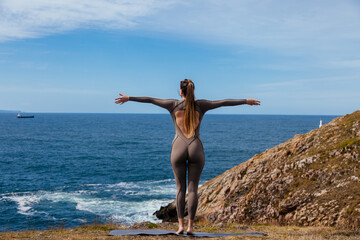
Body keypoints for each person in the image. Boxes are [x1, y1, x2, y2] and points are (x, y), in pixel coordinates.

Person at [115, 79, 260, 235]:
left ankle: (181, 227)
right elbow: (223, 102)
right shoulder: (201, 105)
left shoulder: (173, 104)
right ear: (192, 91)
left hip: (178, 147)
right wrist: (246, 101)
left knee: (180, 189)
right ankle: (191, 227)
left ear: (181, 91)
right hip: (196, 147)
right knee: (193, 190)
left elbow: (150, 100)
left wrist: (129, 98)